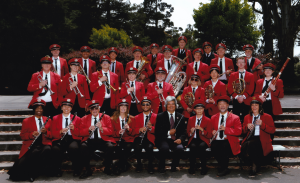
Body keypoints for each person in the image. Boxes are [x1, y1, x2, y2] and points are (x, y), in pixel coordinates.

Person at [8, 99, 52, 182]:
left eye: (41, 108)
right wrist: (31, 134)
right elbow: (22, 136)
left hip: (44, 142)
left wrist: (46, 132)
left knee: (47, 149)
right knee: (33, 153)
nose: (39, 110)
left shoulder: (48, 120)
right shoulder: (26, 121)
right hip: (32, 143)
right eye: (37, 108)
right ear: (34, 109)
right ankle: (31, 173)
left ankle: (37, 173)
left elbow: (52, 134)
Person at [79, 100, 115, 178]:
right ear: (89, 110)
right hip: (90, 140)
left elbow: (111, 131)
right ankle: (87, 170)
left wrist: (102, 128)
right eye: (92, 109)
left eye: (96, 108)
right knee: (83, 146)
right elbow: (80, 132)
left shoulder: (106, 117)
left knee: (110, 146)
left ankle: (107, 168)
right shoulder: (84, 118)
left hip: (103, 140)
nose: (94, 110)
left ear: (99, 109)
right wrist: (88, 129)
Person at [241, 96, 275, 176]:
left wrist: (262, 125)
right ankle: (256, 164)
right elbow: (242, 131)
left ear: (260, 107)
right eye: (252, 105)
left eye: (256, 105)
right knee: (250, 144)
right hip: (250, 138)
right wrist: (247, 127)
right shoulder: (247, 117)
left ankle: (254, 167)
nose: (254, 107)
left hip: (262, 139)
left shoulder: (267, 116)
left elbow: (272, 130)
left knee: (252, 144)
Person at [210, 95, 242, 176]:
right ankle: (224, 167)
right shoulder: (213, 117)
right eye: (220, 104)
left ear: (228, 105)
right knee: (214, 147)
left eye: (224, 104)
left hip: (229, 140)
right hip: (217, 140)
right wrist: (212, 131)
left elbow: (239, 131)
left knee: (224, 146)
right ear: (217, 106)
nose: (222, 106)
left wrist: (226, 129)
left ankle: (223, 168)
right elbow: (210, 129)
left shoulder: (235, 117)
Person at [51, 98, 82, 177]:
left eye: (68, 107)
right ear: (61, 108)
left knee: (74, 147)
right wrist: (60, 131)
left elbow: (81, 132)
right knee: (55, 149)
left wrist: (74, 129)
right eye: (64, 106)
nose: (66, 108)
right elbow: (51, 133)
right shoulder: (55, 118)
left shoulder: (77, 118)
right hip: (60, 138)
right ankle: (57, 169)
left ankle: (76, 169)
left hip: (72, 138)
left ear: (71, 108)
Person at [155, 96, 186, 173]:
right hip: (164, 139)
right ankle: (161, 166)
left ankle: (174, 166)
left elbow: (184, 132)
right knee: (164, 148)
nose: (171, 106)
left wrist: (181, 139)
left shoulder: (181, 117)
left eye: (173, 104)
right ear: (166, 106)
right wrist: (168, 132)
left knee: (180, 148)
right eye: (169, 104)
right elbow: (157, 131)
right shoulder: (160, 116)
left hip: (175, 139)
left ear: (176, 105)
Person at [186, 100, 212, 175]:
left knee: (201, 146)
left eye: (201, 109)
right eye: (197, 109)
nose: (199, 110)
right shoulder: (191, 119)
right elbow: (187, 134)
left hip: (203, 139)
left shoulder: (208, 120)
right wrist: (191, 132)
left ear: (203, 109)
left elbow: (210, 135)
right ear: (194, 110)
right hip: (193, 139)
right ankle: (192, 167)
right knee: (193, 146)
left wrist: (202, 130)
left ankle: (203, 167)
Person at [111, 99, 136, 174]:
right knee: (118, 148)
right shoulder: (112, 119)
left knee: (127, 147)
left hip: (128, 139)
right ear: (118, 108)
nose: (123, 108)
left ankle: (120, 165)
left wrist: (129, 129)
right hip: (117, 139)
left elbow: (134, 132)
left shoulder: (131, 118)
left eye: (125, 106)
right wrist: (117, 132)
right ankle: (124, 164)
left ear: (127, 108)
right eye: (121, 106)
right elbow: (111, 132)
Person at [228, 56, 255, 123]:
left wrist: (243, 97)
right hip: (236, 100)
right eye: (239, 62)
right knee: (236, 118)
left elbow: (251, 88)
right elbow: (229, 88)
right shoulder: (232, 75)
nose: (241, 64)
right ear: (236, 64)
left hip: (246, 99)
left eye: (242, 62)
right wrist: (237, 97)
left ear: (245, 64)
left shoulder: (251, 75)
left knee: (246, 118)